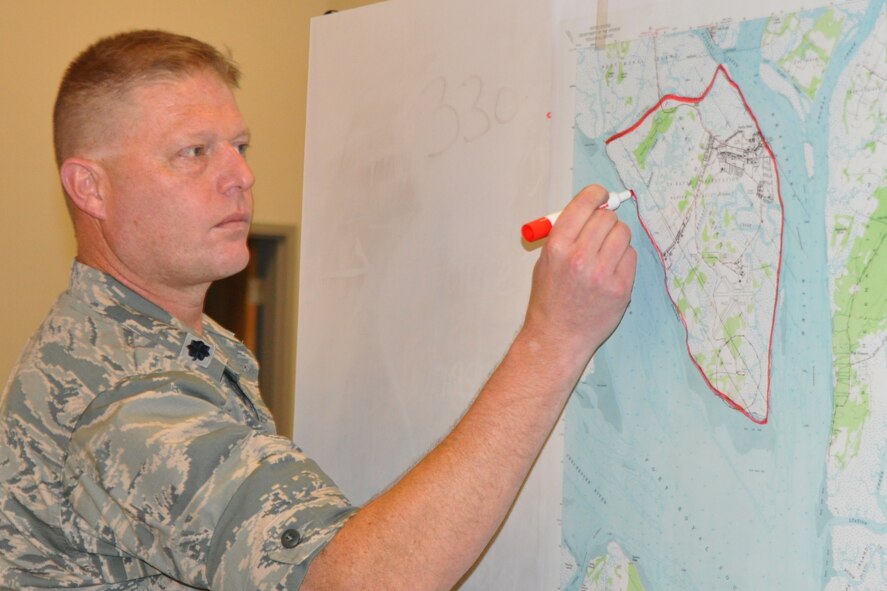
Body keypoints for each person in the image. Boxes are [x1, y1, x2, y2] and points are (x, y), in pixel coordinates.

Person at [0, 30, 636, 590]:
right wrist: (552, 341)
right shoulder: (122, 400)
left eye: (239, 146)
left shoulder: (180, 341)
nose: (240, 176)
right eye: (194, 152)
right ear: (90, 188)